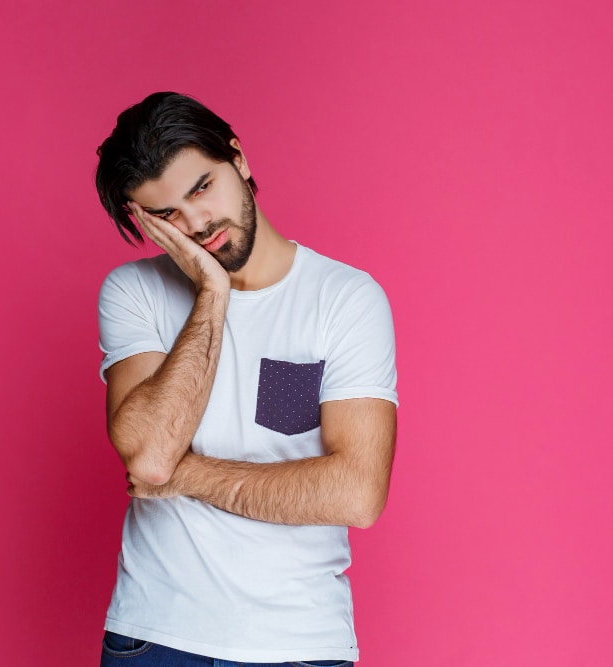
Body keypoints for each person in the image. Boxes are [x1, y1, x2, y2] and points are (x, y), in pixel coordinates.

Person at [93, 92, 398, 666]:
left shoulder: (345, 300)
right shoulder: (134, 293)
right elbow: (152, 458)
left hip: (300, 644)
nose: (196, 223)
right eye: (165, 216)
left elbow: (357, 493)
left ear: (240, 160)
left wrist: (190, 476)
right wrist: (213, 292)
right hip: (156, 637)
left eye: (202, 187)